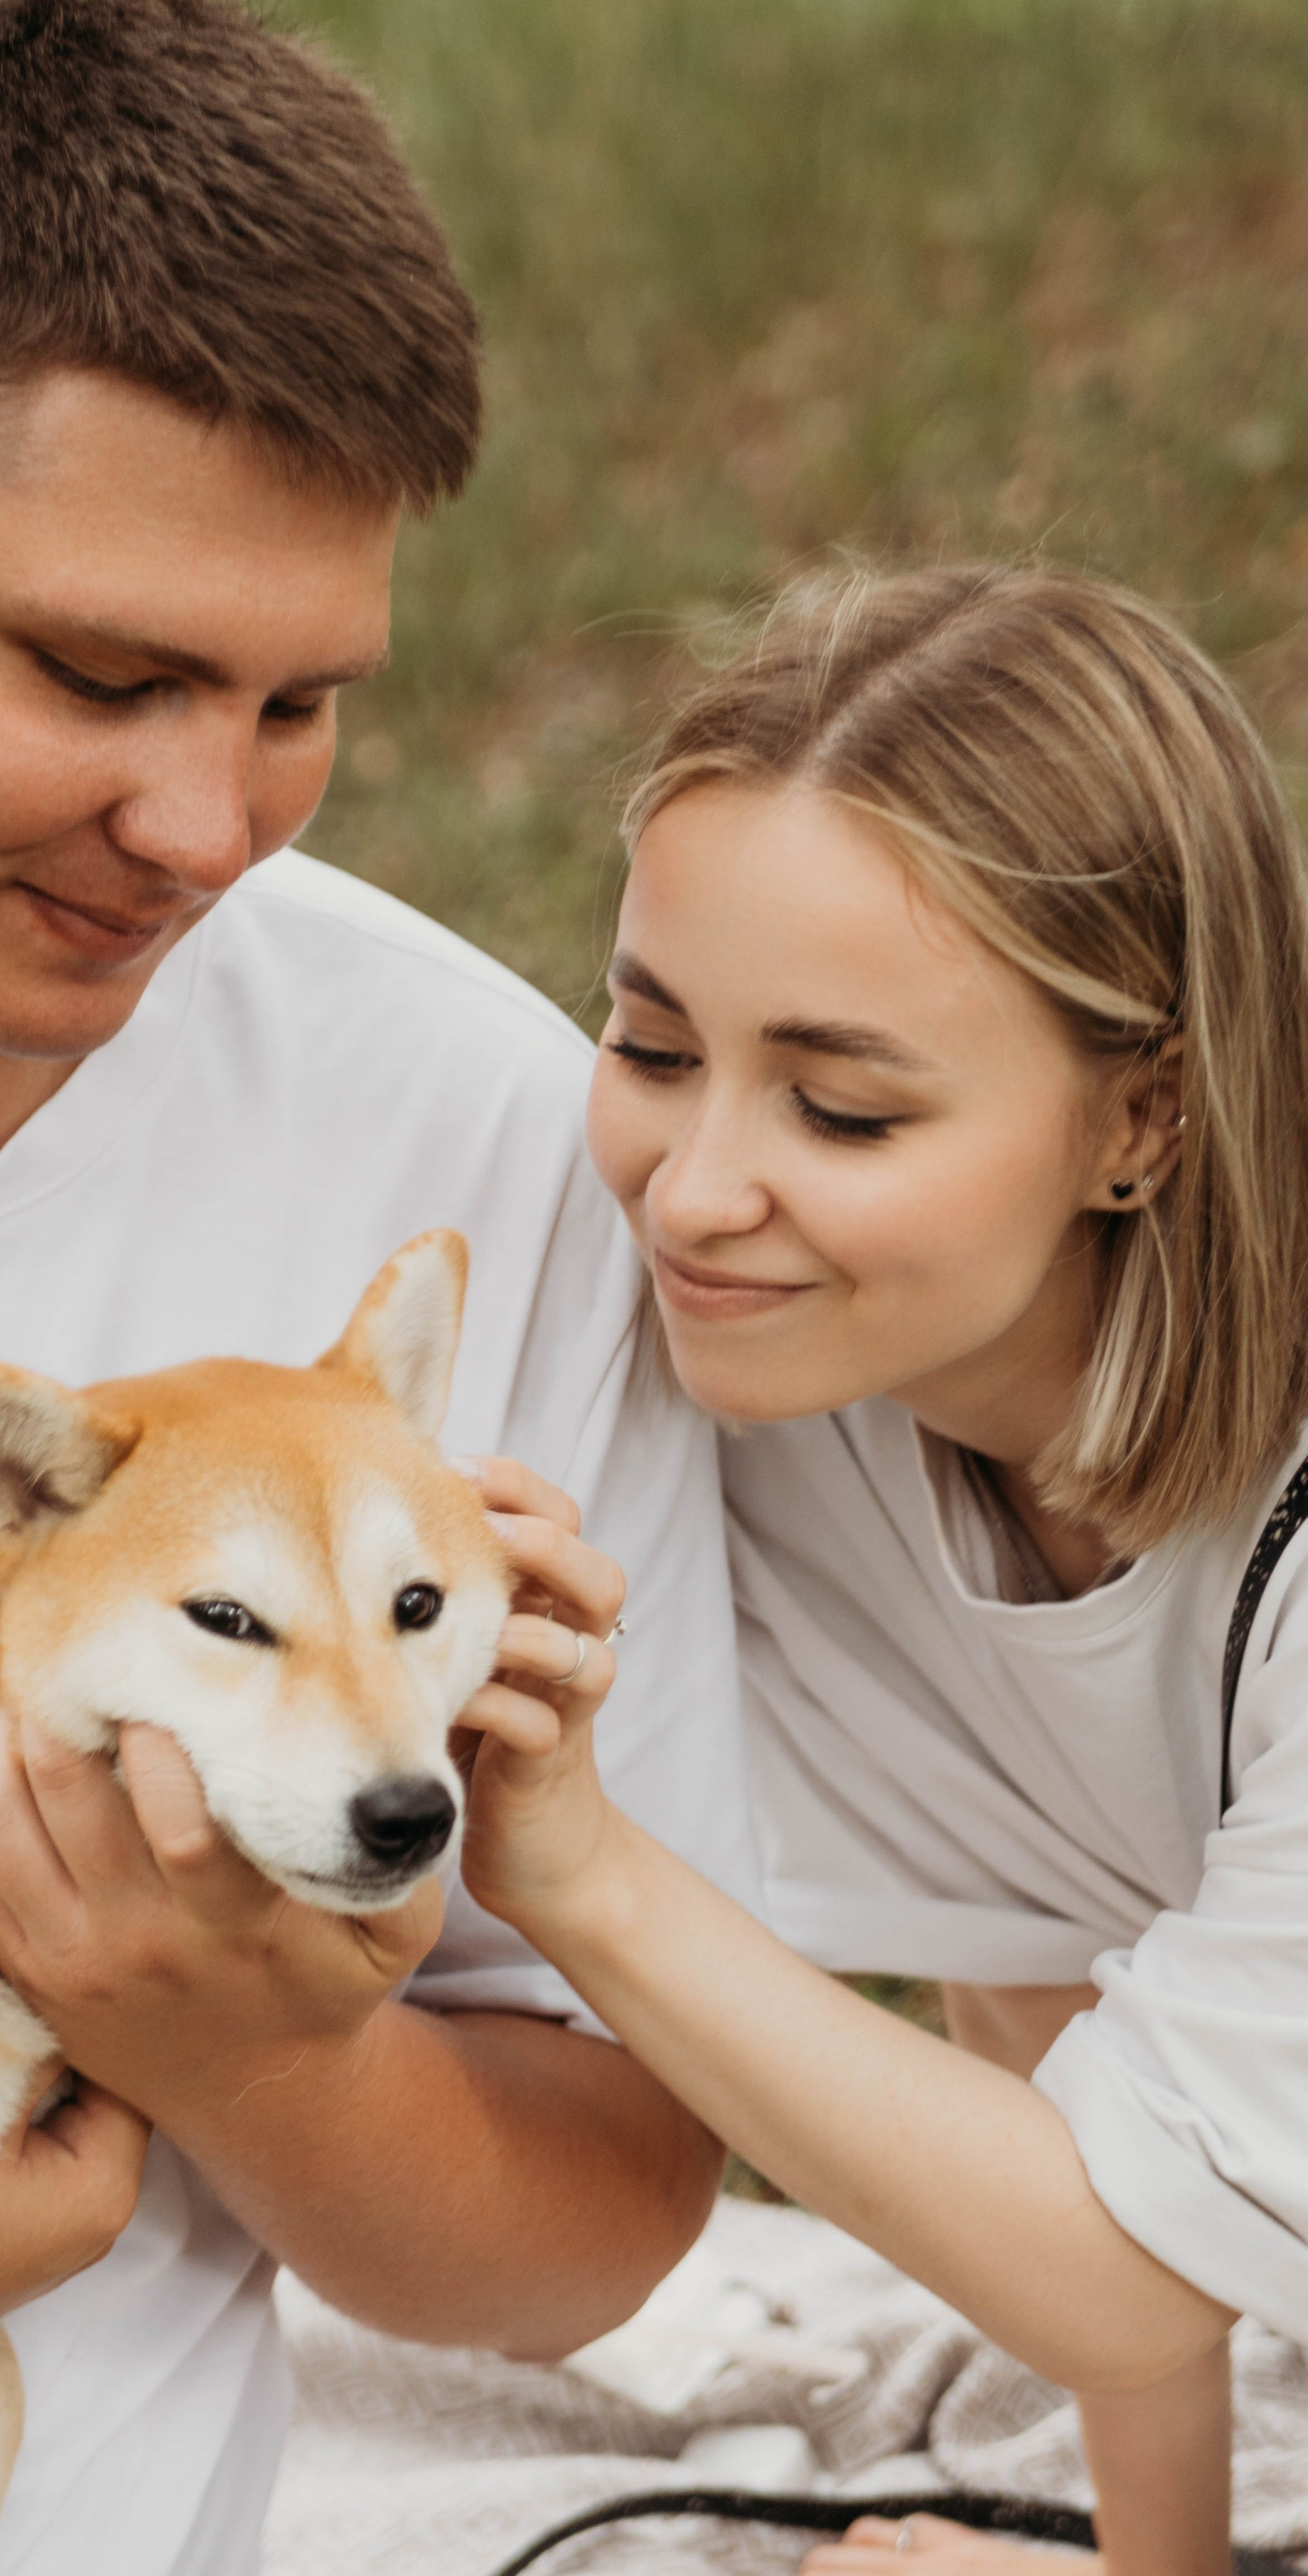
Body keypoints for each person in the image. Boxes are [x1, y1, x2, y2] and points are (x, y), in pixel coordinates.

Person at [0, 3, 749, 2569]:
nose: (209, 828)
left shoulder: (459, 1123)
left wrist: (258, 2058)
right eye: (102, 678)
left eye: (299, 700)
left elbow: (593, 2218)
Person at [453, 563, 1308, 2576]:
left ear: (1144, 1116)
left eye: (841, 1108)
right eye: (653, 1045)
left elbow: (1120, 2266)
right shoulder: (830, 1379)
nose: (696, 1191)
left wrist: (587, 1876)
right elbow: (1045, 2033)